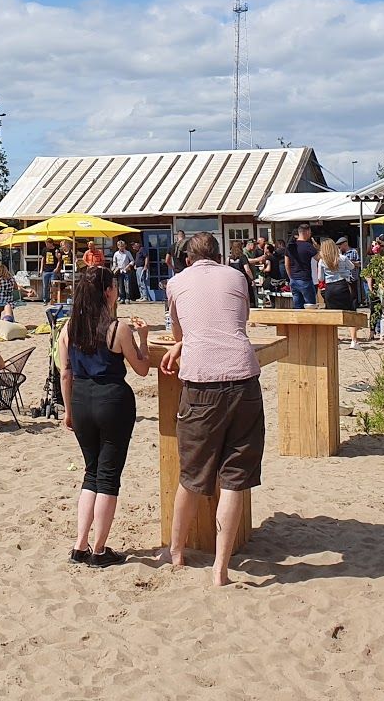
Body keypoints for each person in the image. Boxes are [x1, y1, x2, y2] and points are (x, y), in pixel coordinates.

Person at [158, 232, 265, 587]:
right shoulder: (236, 277)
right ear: (219, 256)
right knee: (235, 478)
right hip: (243, 377)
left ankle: (176, 550)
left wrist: (182, 344)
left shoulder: (175, 283)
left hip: (202, 382)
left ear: (187, 258)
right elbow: (237, 320)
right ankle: (220, 568)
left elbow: (180, 330)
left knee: (191, 473)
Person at [62, 264, 150, 567]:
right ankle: (99, 550)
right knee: (109, 477)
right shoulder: (117, 328)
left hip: (81, 398)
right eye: (114, 287)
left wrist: (69, 411)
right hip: (111, 399)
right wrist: (144, 339)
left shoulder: (69, 327)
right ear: (107, 292)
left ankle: (80, 544)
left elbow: (65, 373)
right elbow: (141, 368)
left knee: (91, 472)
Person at [315, 237, 354, 309]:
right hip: (342, 285)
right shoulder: (343, 258)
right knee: (346, 309)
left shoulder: (322, 261)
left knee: (332, 311)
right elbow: (352, 267)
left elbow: (320, 278)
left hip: (330, 288)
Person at [110, 239, 135, 303]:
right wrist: (114, 268)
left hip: (126, 270)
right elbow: (114, 262)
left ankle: (128, 298)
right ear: (118, 246)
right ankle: (122, 297)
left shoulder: (127, 252)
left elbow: (132, 261)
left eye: (123, 246)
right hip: (119, 270)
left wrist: (128, 266)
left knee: (127, 284)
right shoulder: (116, 254)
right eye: (120, 246)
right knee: (120, 285)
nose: (122, 247)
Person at [134, 237, 154, 303]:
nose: (133, 246)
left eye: (134, 244)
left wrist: (145, 265)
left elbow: (146, 257)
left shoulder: (142, 249)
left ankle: (145, 296)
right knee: (139, 282)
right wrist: (135, 265)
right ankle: (142, 296)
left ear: (138, 244)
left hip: (141, 267)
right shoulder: (137, 252)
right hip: (137, 268)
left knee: (142, 281)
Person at [40, 240, 57, 308]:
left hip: (53, 270)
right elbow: (43, 259)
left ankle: (53, 299)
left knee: (53, 285)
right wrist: (41, 269)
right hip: (45, 270)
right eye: (46, 244)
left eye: (47, 244)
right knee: (45, 286)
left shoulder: (56, 249)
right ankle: (45, 300)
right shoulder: (44, 249)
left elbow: (58, 259)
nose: (47, 245)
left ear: (51, 243)